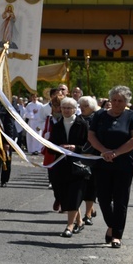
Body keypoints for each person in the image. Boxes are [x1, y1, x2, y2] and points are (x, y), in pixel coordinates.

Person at [87, 85, 133, 249]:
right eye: (114, 100)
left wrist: (116, 153)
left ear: (126, 102)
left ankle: (117, 235)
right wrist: (104, 151)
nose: (117, 103)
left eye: (121, 101)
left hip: (123, 164)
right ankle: (111, 225)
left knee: (120, 201)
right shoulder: (100, 115)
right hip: (103, 162)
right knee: (103, 199)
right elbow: (91, 135)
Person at [49, 97, 90, 237]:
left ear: (74, 109)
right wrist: (59, 148)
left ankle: (69, 226)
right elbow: (50, 145)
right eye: (64, 107)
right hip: (60, 165)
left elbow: (88, 145)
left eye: (69, 108)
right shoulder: (57, 125)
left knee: (74, 194)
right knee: (63, 194)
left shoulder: (82, 124)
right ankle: (79, 221)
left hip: (78, 165)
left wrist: (75, 148)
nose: (66, 110)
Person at [78, 95, 101, 225]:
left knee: (91, 185)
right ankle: (88, 210)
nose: (83, 108)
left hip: (94, 155)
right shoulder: (78, 119)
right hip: (80, 155)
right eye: (81, 106)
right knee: (82, 185)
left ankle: (88, 214)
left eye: (86, 106)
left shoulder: (98, 119)